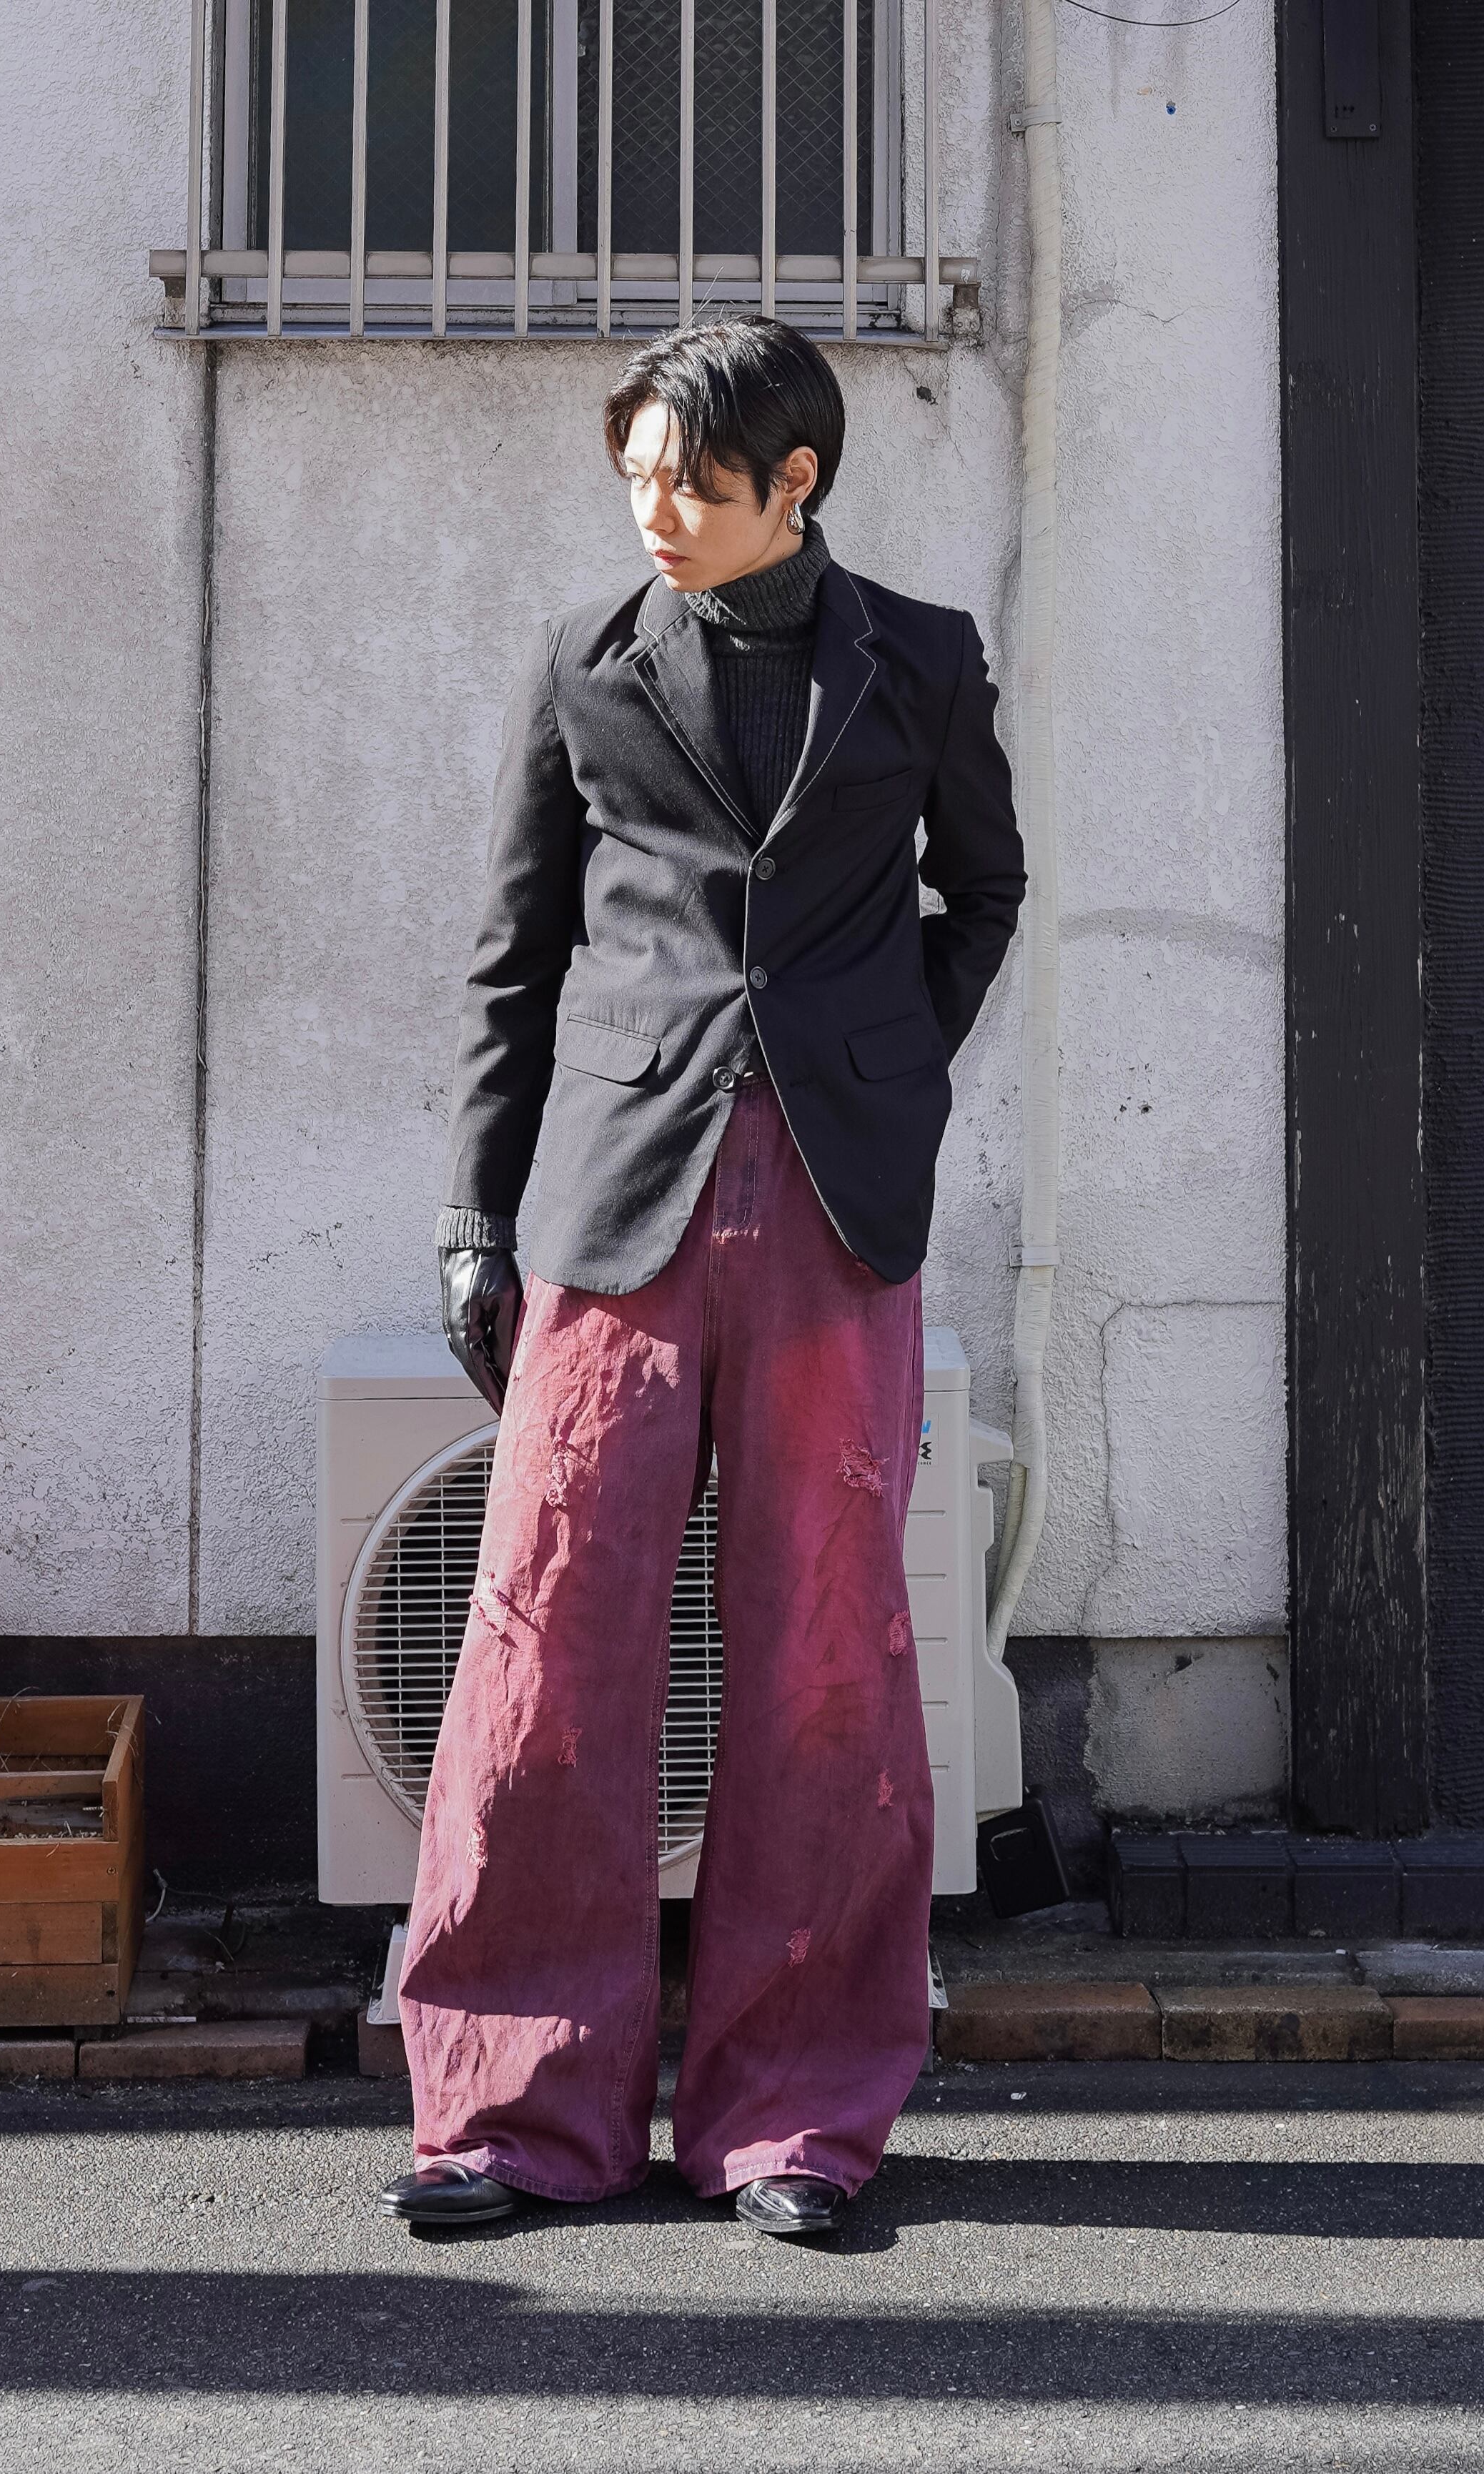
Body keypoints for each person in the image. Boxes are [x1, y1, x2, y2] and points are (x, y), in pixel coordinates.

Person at [381, 315, 1024, 2243]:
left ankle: (794, 2121)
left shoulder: (920, 658)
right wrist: (473, 1215)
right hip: (614, 1203)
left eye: (692, 480)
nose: (653, 510)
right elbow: (513, 962)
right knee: (547, 1639)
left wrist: (875, 1060)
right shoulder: (586, 661)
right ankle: (510, 2114)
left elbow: (982, 893)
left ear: (794, 482)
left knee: (829, 1654)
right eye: (638, 477)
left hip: (835, 1208)